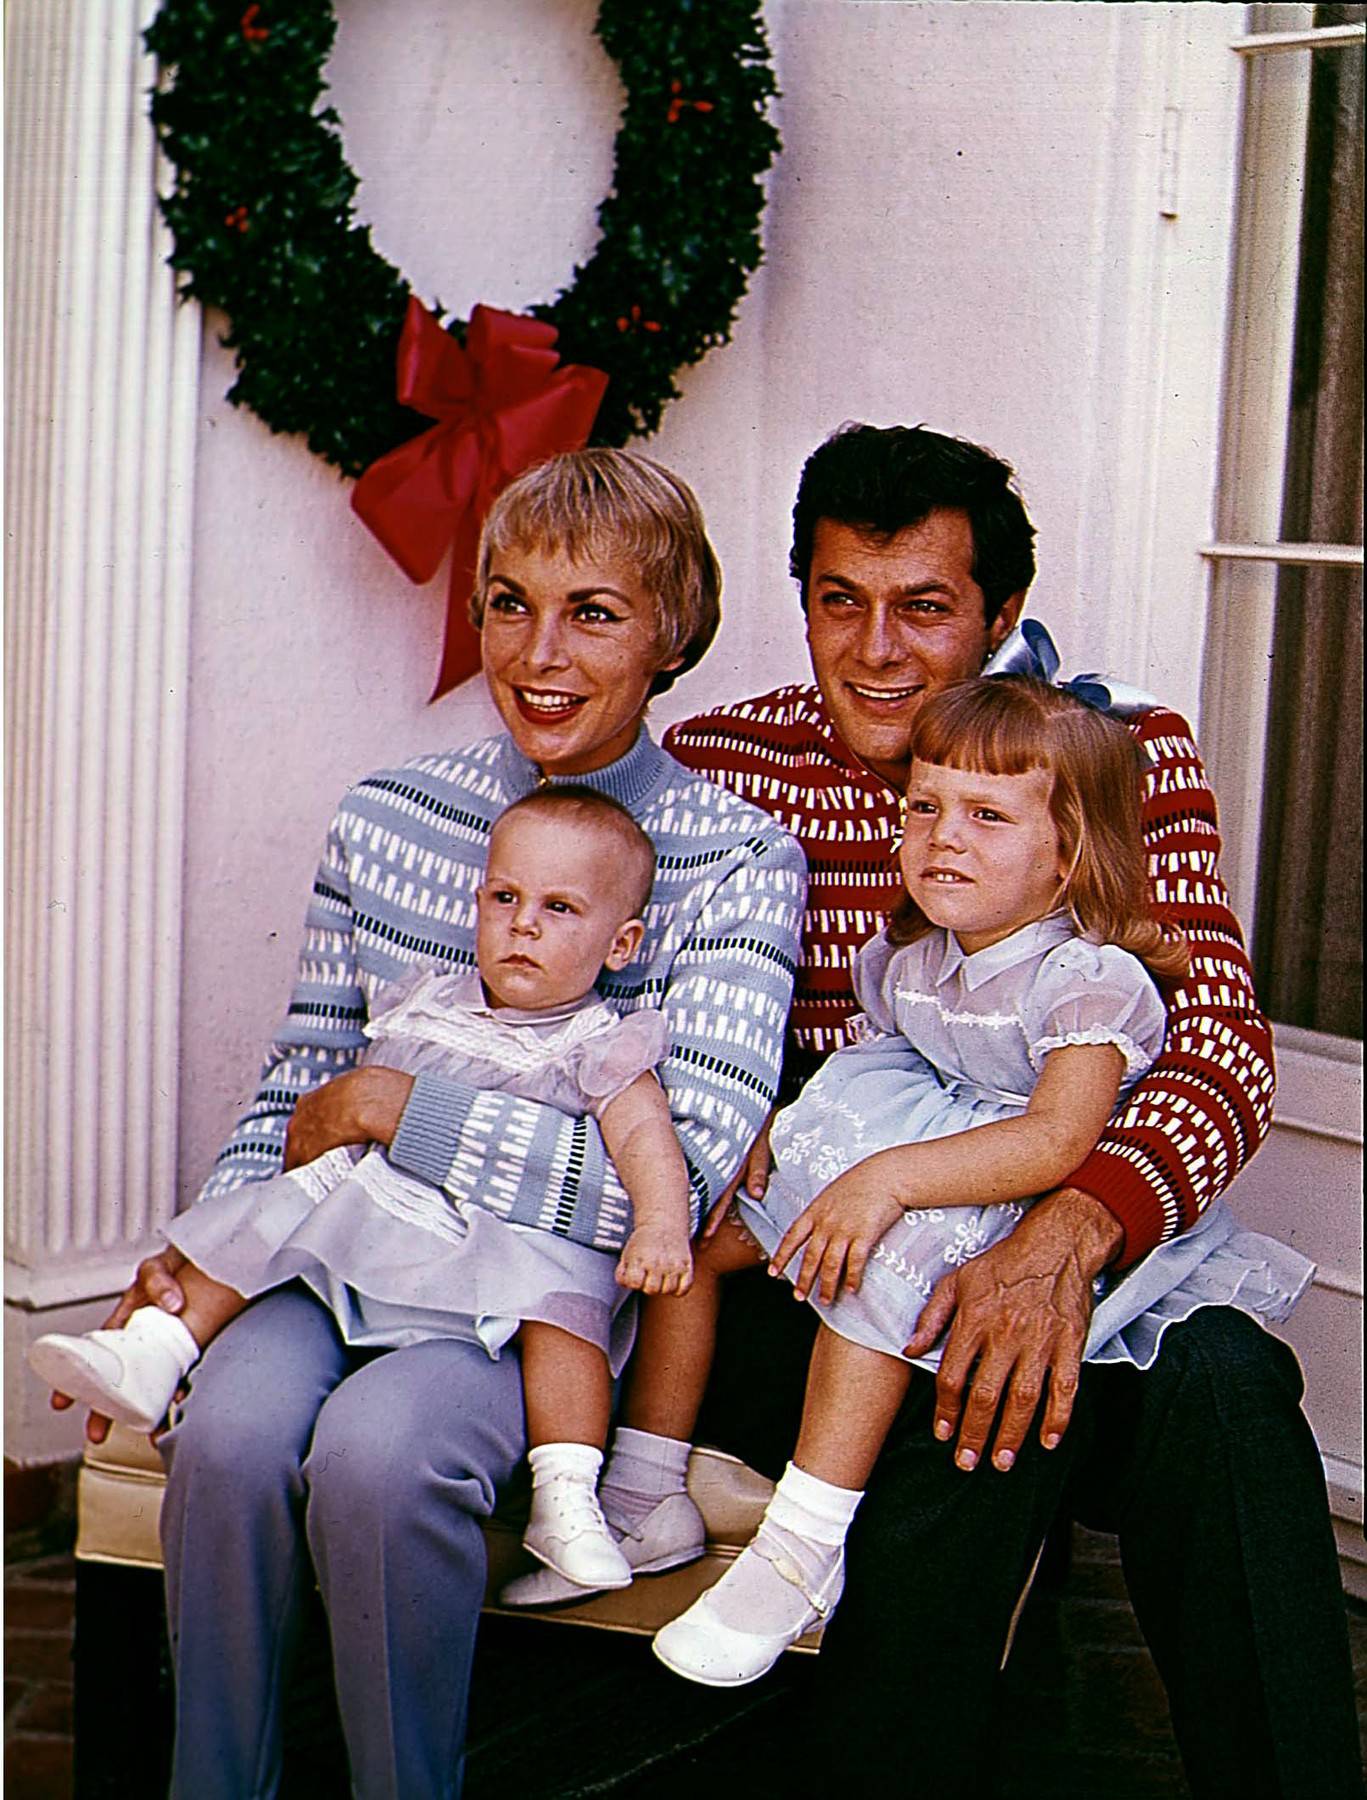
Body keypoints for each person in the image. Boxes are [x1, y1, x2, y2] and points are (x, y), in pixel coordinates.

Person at [505, 423, 1361, 1798]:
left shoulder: (1113, 753)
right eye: (838, 601)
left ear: (1000, 617)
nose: (875, 651)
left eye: (922, 608)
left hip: (1064, 1220)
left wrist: (1062, 1241)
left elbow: (1216, 1054)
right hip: (839, 1258)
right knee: (959, 1413)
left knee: (1224, 1381)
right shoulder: (730, 764)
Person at [53, 448, 806, 1800]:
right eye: (507, 602)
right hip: (336, 1248)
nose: (538, 652)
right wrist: (200, 1245)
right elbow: (300, 1086)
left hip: (532, 1313)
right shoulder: (388, 817)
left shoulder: (732, 859)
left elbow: (673, 1189)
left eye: (592, 612)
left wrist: (398, 1106)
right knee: (224, 1432)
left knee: (381, 1457)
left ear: (670, 632)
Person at [640, 675, 1309, 1686]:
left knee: (877, 1281)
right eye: (922, 807)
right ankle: (640, 1481)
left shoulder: (1086, 978)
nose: (940, 838)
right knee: (705, 1235)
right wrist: (787, 1130)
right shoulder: (915, 951)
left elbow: (1051, 1140)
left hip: (1000, 1187)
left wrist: (887, 1179)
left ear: (1067, 854)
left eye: (985, 817)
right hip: (909, 1143)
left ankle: (799, 1546)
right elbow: (883, 1056)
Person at [34, 787, 697, 1591]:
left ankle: (567, 1497)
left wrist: (660, 1223)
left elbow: (642, 1140)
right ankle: (156, 1349)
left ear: (620, 944)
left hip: (504, 1246)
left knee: (565, 1311)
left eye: (560, 908)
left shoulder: (600, 1042)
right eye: (505, 897)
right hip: (387, 1222)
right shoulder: (429, 1003)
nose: (523, 924)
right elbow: (330, 1110)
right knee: (277, 1210)